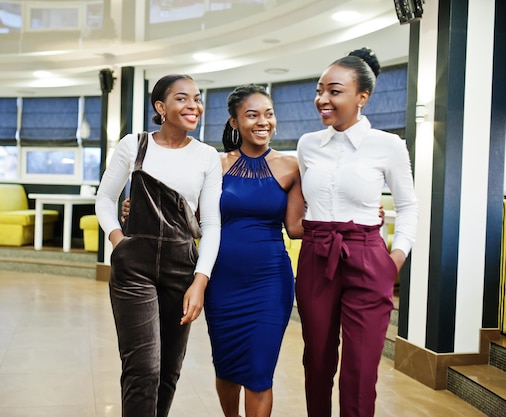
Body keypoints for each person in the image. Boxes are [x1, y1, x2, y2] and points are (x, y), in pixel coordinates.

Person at [295, 47, 418, 417]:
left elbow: (409, 206)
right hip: (317, 255)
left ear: (362, 97)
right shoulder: (307, 145)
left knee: (361, 369)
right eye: (320, 90)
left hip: (367, 256)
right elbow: (300, 199)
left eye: (334, 91)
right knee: (316, 361)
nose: (322, 99)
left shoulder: (388, 145)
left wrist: (394, 258)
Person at [94, 74, 223, 417]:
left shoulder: (208, 156)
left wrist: (200, 280)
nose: (193, 105)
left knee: (168, 371)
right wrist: (118, 240)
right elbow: (105, 199)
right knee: (143, 369)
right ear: (161, 107)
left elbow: (211, 224)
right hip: (133, 267)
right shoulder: (133, 145)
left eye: (197, 98)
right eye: (182, 99)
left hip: (182, 267)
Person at [204, 84, 304, 417]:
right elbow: (188, 216)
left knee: (259, 374)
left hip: (269, 283)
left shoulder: (291, 167)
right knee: (227, 368)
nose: (263, 122)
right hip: (221, 283)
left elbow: (297, 227)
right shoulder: (215, 165)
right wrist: (137, 210)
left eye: (268, 114)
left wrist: (361, 216)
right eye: (252, 115)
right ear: (234, 122)